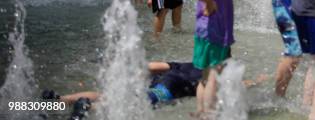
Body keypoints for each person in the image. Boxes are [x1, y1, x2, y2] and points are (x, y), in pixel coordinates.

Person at [41, 60, 204, 109]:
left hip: (160, 79)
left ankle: (59, 100)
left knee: (108, 96)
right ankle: (88, 107)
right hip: (169, 88)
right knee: (132, 105)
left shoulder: (193, 63)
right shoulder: (215, 78)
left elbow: (154, 66)